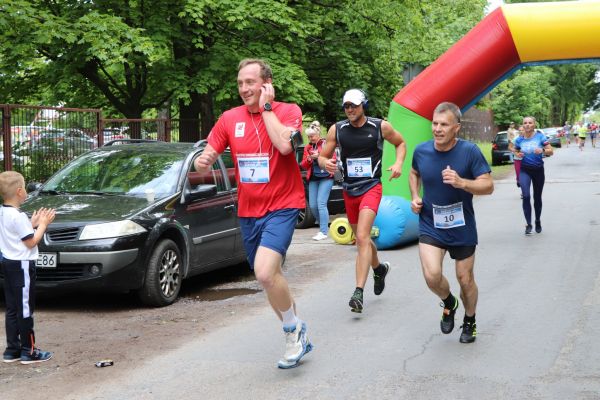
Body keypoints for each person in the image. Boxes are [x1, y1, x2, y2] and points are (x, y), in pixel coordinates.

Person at [193, 58, 312, 369]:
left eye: (250, 82)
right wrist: (203, 161)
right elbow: (207, 153)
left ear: (266, 84)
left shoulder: (289, 111)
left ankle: (290, 332)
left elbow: (285, 147)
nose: (244, 89)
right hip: (248, 211)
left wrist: (268, 109)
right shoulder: (230, 118)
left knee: (263, 271)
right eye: (240, 83)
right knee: (270, 278)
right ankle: (296, 328)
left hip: (283, 206)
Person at [409, 102, 493, 344]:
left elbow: (488, 185)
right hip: (430, 223)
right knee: (432, 276)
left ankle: (470, 319)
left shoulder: (469, 152)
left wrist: (462, 183)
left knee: (465, 279)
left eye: (443, 124)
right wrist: (415, 196)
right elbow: (414, 173)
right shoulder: (421, 151)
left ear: (456, 127)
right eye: (434, 123)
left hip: (461, 225)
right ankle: (449, 302)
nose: (437, 128)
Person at [318, 88, 406, 313]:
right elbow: (322, 155)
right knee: (362, 240)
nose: (350, 110)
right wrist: (323, 163)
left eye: (354, 106)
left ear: (363, 105)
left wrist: (398, 164)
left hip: (371, 187)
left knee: (363, 237)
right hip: (350, 190)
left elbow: (401, 143)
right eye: (346, 106)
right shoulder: (337, 130)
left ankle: (358, 291)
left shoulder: (379, 126)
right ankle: (379, 269)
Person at [0, 171, 56, 364]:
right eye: (24, 187)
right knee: (25, 309)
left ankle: (12, 350)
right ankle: (29, 351)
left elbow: (17, 234)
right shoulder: (17, 216)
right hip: (22, 266)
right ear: (19, 192)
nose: (26, 191)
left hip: (8, 263)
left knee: (12, 309)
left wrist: (30, 224)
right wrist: (42, 224)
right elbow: (31, 243)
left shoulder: (3, 212)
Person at [514, 116, 553, 235]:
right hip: (524, 170)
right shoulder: (519, 140)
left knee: (537, 198)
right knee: (525, 196)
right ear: (522, 125)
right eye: (525, 123)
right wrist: (518, 153)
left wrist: (542, 151)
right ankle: (528, 224)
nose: (527, 125)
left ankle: (537, 220)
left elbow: (551, 151)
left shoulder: (540, 137)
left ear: (534, 125)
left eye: (530, 123)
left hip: (538, 171)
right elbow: (515, 150)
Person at [300, 122, 335, 241]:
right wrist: (310, 158)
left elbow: (333, 158)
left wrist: (319, 156)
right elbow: (303, 165)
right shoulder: (307, 147)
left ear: (318, 134)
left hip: (326, 177)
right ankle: (323, 226)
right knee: (313, 206)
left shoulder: (326, 143)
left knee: (321, 203)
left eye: (313, 136)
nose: (311, 138)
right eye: (309, 137)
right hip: (313, 178)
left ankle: (323, 232)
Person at [508, 125, 525, 191]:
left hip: (526, 159)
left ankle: (524, 192)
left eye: (522, 130)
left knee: (525, 177)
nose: (521, 131)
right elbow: (509, 147)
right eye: (519, 130)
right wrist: (515, 152)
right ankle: (518, 180)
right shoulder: (516, 139)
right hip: (517, 160)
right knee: (519, 176)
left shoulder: (527, 138)